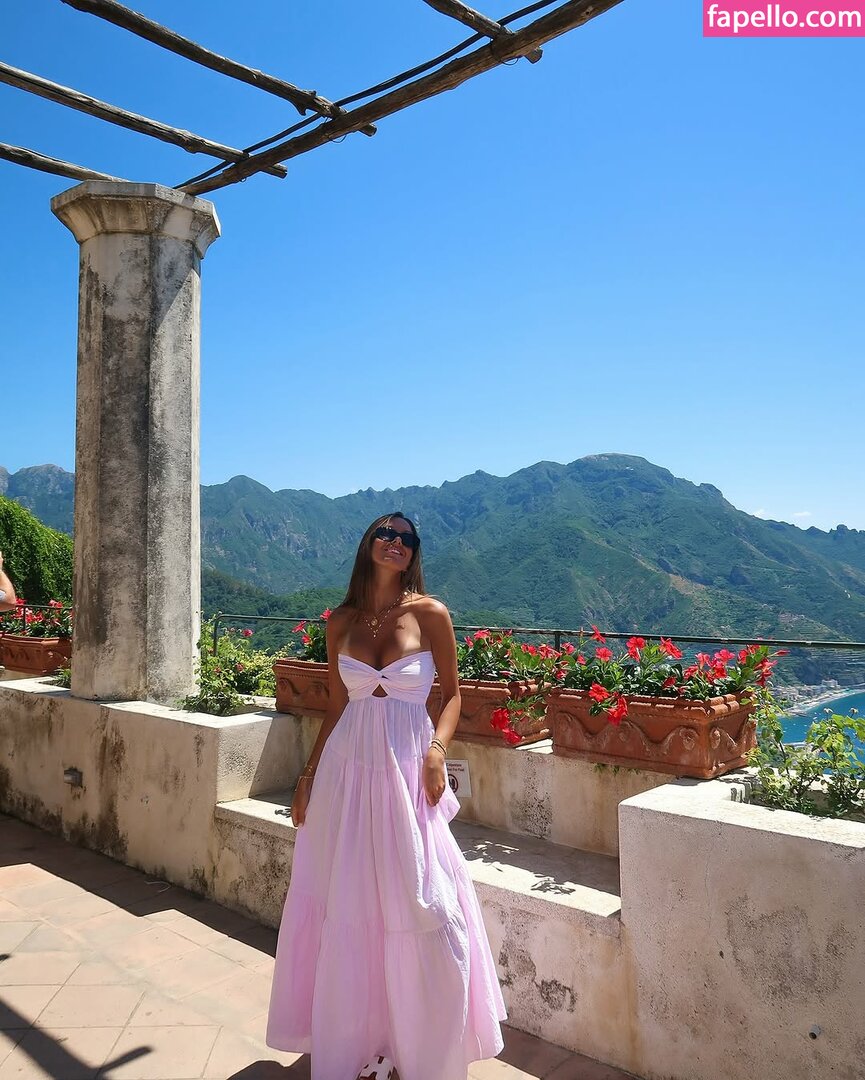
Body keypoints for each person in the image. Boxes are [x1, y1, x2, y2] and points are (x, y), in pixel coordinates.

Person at [267, 513, 506, 1080]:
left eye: (407, 538)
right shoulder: (341, 621)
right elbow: (336, 705)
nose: (396, 543)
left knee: (421, 899)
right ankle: (364, 1047)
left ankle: (423, 1050)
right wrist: (307, 776)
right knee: (349, 901)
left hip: (406, 770)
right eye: (386, 534)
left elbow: (453, 696)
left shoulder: (430, 613)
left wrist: (437, 751)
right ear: (368, 544)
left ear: (414, 552)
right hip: (346, 773)